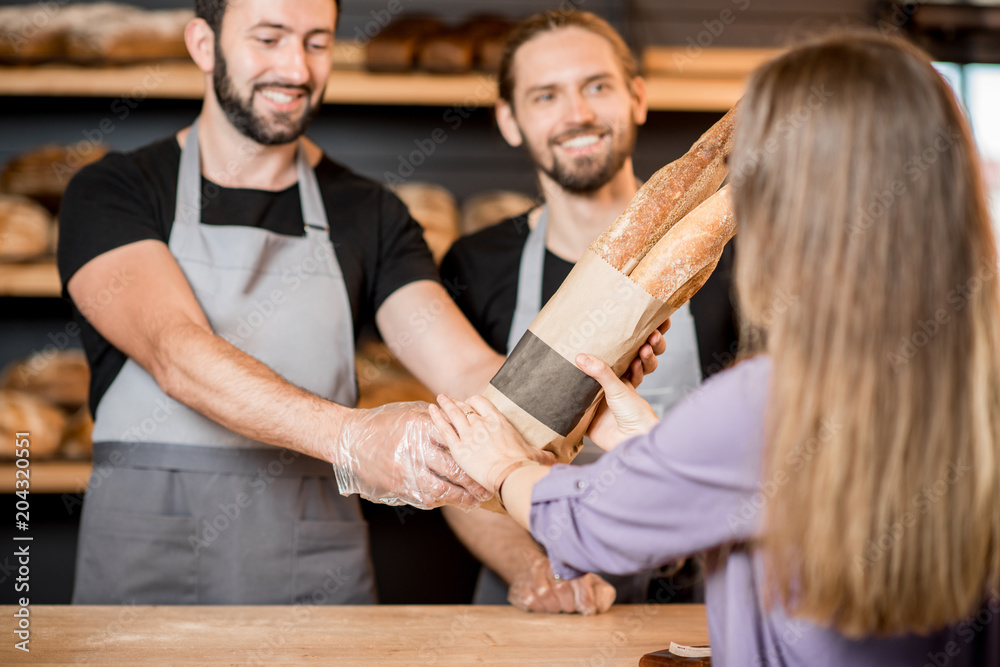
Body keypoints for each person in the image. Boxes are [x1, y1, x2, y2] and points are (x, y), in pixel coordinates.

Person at [57, 0, 667, 606]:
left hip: (309, 562)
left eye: (317, 42)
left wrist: (579, 391)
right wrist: (353, 439)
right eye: (268, 39)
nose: (296, 68)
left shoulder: (369, 213)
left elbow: (461, 369)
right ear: (203, 44)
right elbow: (176, 355)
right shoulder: (114, 190)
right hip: (150, 558)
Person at [432, 33, 1000, 665]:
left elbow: (591, 526)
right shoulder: (977, 382)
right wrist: (657, 450)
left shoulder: (773, 400)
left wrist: (504, 467)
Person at [439, 10, 737, 614]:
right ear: (510, 120)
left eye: (596, 87)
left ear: (637, 97)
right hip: (533, 588)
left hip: (689, 595)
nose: (576, 114)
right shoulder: (476, 262)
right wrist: (537, 569)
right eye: (546, 95)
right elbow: (453, 457)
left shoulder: (729, 258)